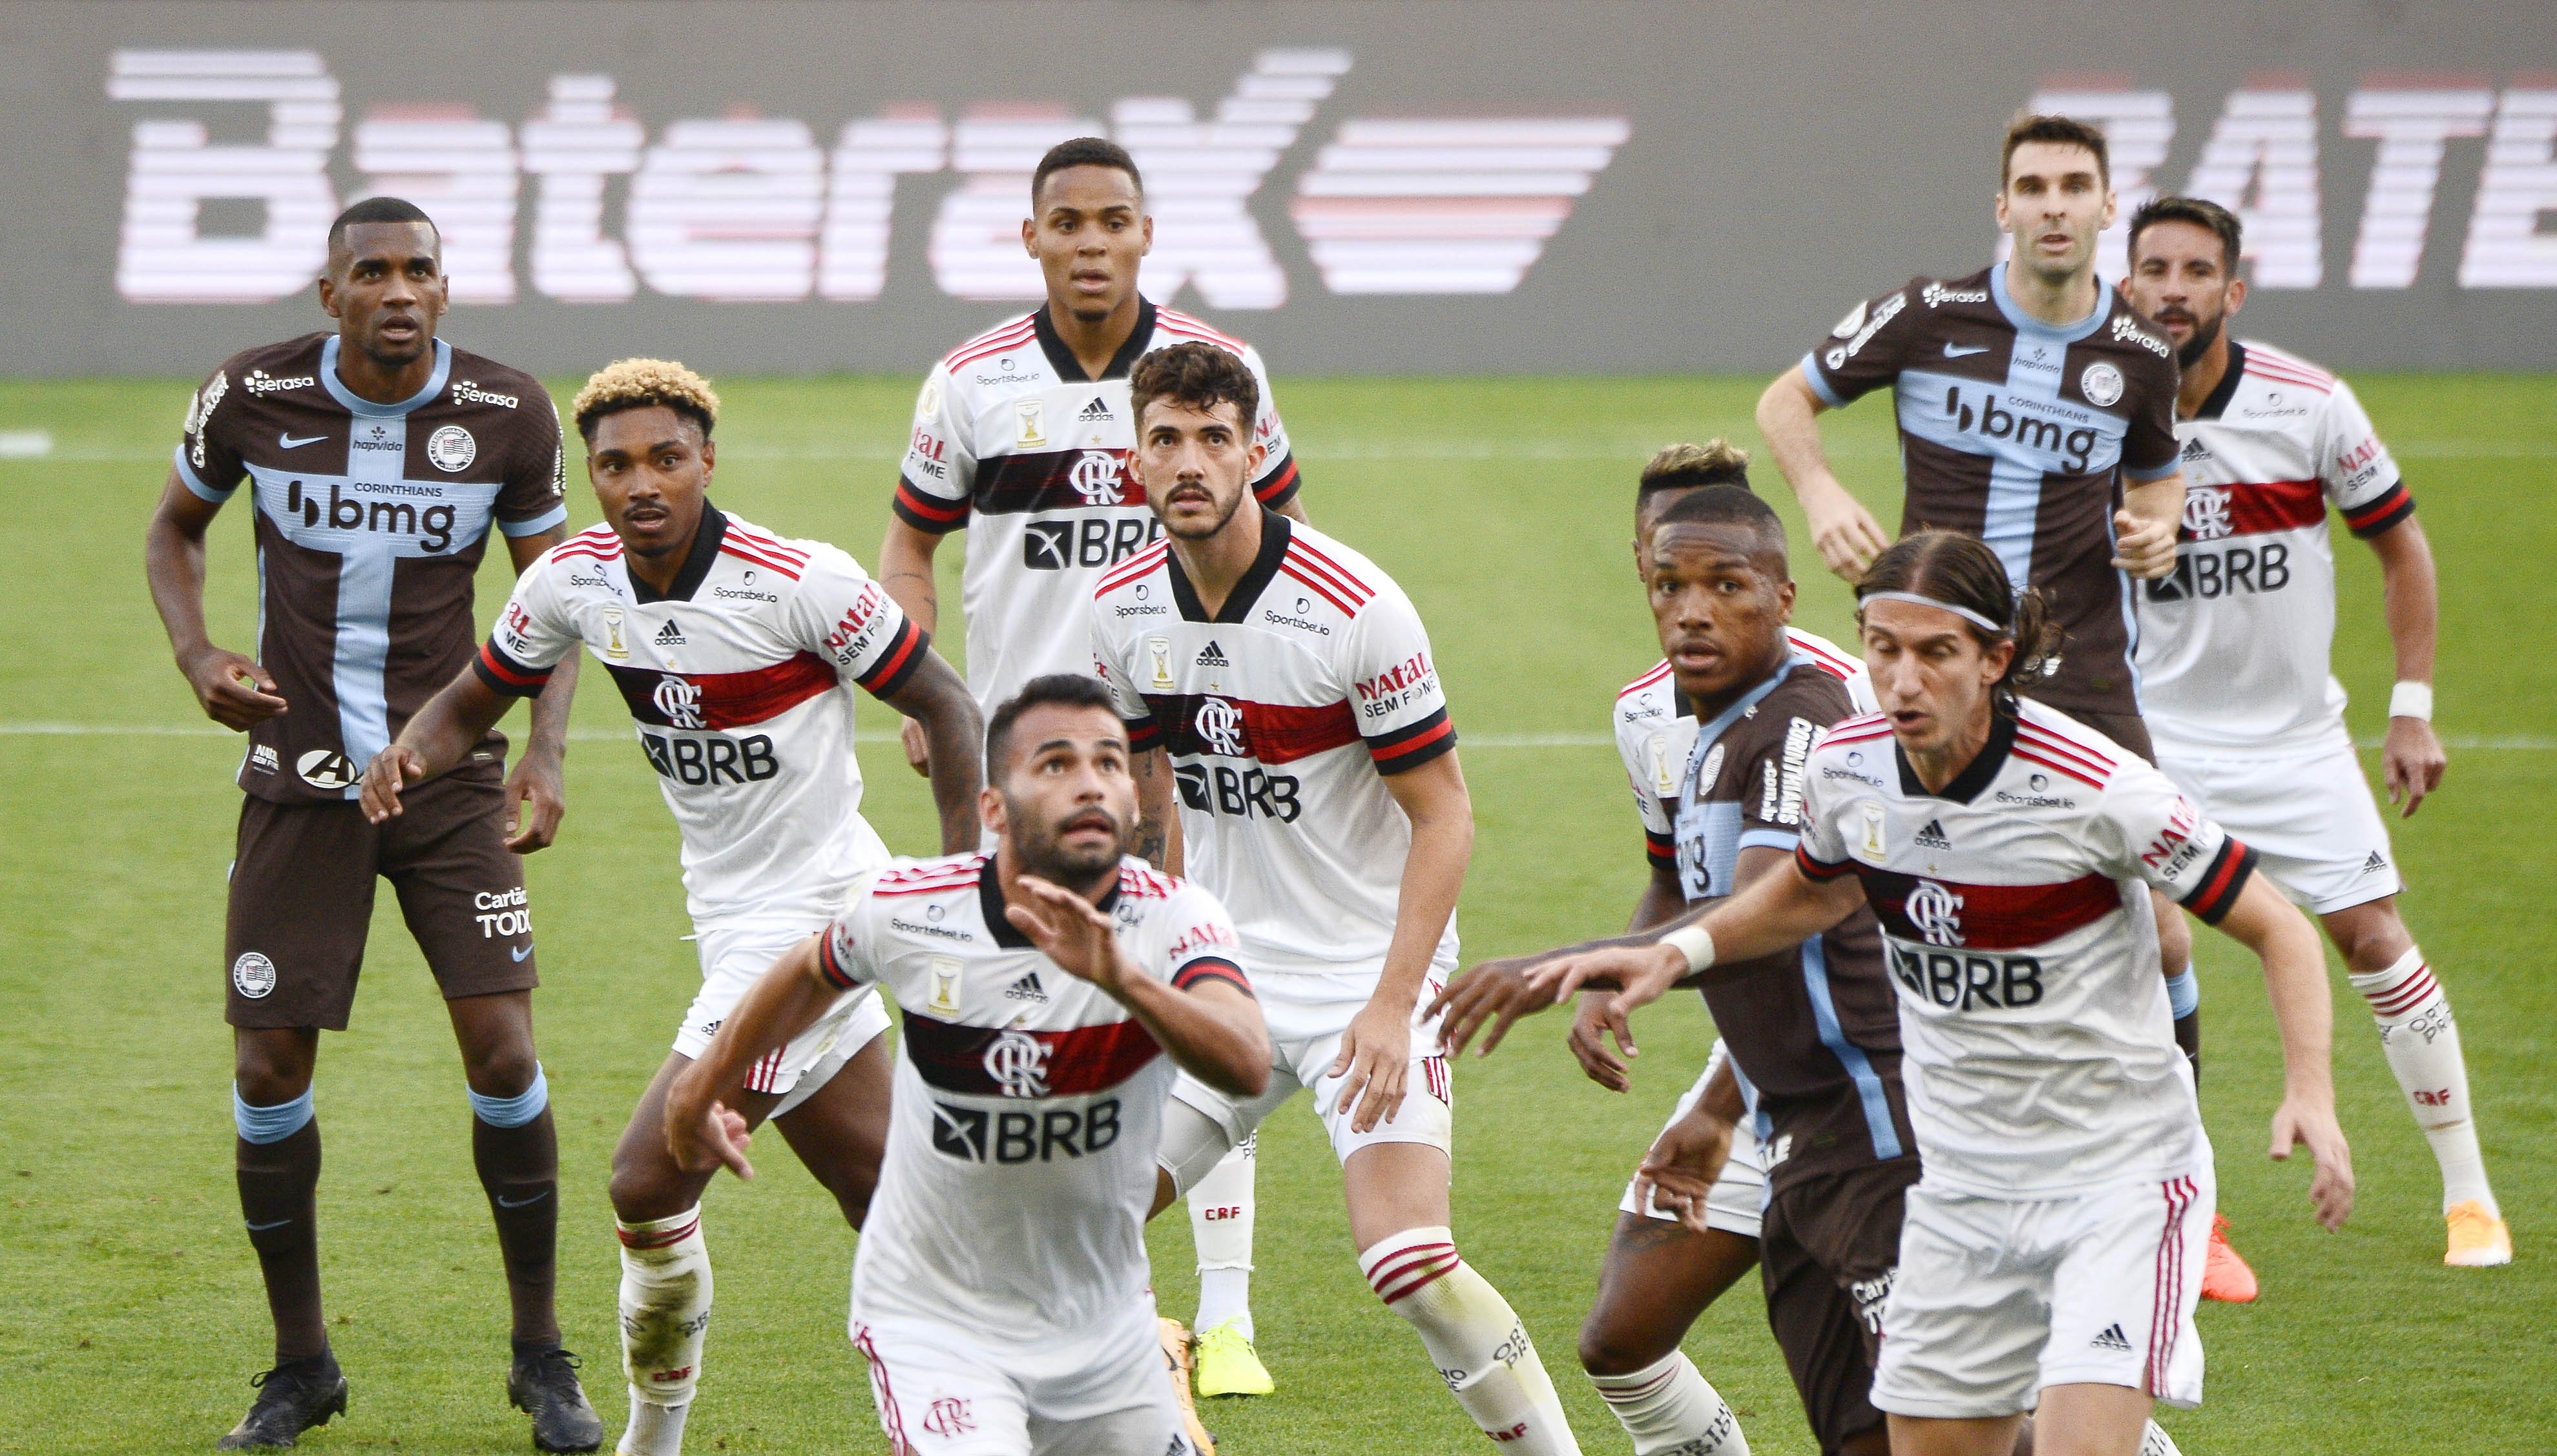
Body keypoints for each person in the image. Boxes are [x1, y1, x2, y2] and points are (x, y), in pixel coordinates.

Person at [1485, 531, 2353, 1456]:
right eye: (1883, 647)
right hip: (1960, 1186)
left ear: (1994, 658)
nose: (1902, 680)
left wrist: (2309, 1088)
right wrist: (1678, 953)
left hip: (2115, 1178)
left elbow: (2277, 926)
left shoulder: (2095, 785)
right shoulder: (1849, 767)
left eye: (1934, 652)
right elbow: (1803, 895)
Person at [363, 359, 985, 1456]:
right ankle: (1028, 1379)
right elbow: (473, 698)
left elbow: (942, 696)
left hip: (817, 915)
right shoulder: (573, 583)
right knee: (889, 1195)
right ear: (591, 476)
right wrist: (404, 759)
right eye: (614, 463)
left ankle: (652, 1442)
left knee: (646, 1175)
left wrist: (963, 882)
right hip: (731, 913)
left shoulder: (801, 582)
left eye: (665, 456)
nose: (641, 481)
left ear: (707, 459)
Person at [143, 196, 600, 1451]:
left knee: (503, 1052)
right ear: (329, 289)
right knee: (265, 1070)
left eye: (421, 270)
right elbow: (174, 531)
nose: (400, 288)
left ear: (444, 290)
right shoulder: (250, 394)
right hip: (298, 777)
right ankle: (301, 1367)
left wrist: (545, 754)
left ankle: (541, 1356)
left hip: (451, 782)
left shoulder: (507, 413)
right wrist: (196, 654)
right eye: (373, 271)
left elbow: (553, 598)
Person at [1089, 342, 1582, 1453]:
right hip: (1222, 981)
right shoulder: (1120, 611)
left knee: (1406, 1260)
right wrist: (1148, 937)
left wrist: (1391, 1002)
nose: (1189, 460)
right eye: (1164, 437)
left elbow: (1445, 813)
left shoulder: (1354, 607)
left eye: (1214, 437)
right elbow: (1143, 793)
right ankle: (1158, 1383)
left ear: (1258, 450)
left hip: (1366, 975)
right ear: (1134, 458)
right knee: (1076, 1218)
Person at [876, 135, 1302, 1395]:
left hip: (1175, 747)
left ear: (1144, 231)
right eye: (1065, 221)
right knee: (1034, 1013)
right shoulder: (968, 382)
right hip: (1022, 761)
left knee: (1198, 998)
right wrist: (918, 676)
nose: (1089, 241)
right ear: (1031, 240)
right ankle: (1062, 1286)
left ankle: (1221, 1318)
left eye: (1112, 219)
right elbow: (908, 548)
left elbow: (1274, 540)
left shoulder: (1219, 374)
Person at [662, 674, 1271, 1456]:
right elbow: (810, 970)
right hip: (935, 1316)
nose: (1089, 783)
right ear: (993, 808)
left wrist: (1121, 978)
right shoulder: (914, 907)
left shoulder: (1173, 918)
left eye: (1110, 763)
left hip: (1103, 1321)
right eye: (1055, 764)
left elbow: (1247, 1060)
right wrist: (699, 1087)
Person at [1465, 484, 1915, 1455]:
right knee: (1859, 1430)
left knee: (1948, 1423)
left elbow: (1763, 907)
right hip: (1791, 1125)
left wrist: (1571, 964)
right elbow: (1685, 890)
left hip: (1876, 1131)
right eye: (1668, 584)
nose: (1691, 608)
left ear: (1785, 595)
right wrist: (1717, 1097)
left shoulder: (1799, 724)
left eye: (1725, 584)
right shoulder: (1708, 732)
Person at [2121, 195, 2509, 1271]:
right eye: (2152, 268)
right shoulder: (2098, 414)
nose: (2171, 289)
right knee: (2142, 948)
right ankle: (2190, 1211)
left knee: (2375, 940)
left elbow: (2401, 549)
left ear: (2229, 292)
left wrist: (2410, 707)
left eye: (2195, 270)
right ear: (2124, 287)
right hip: (2157, 740)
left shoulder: (2308, 405)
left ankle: (2468, 1192)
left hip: (2296, 743)